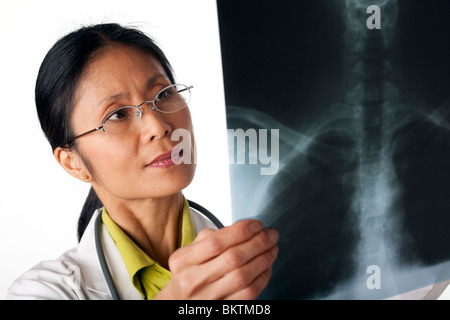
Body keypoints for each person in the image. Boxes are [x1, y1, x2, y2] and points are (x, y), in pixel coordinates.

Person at [6, 23, 279, 300]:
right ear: (72, 162)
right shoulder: (43, 292)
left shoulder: (258, 258)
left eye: (163, 94)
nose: (157, 126)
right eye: (118, 115)